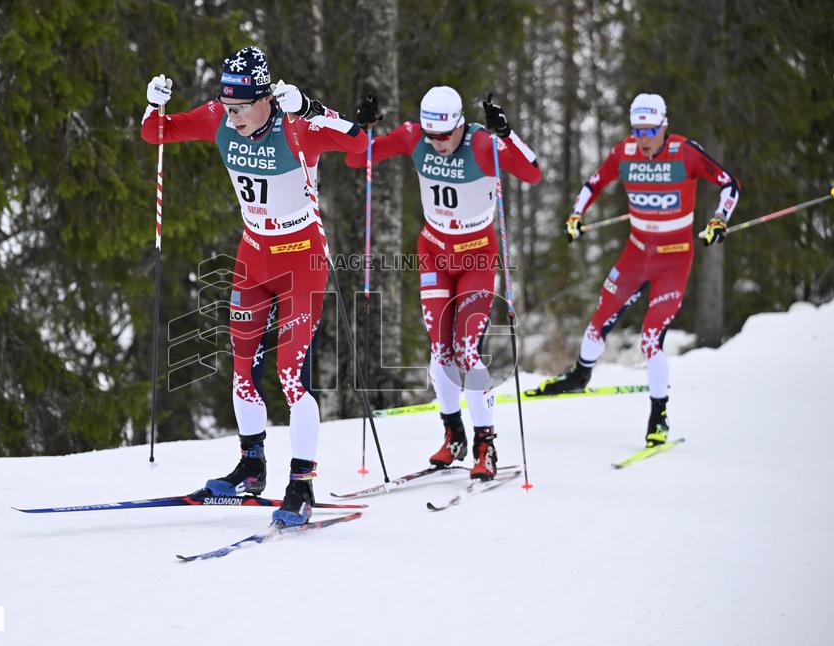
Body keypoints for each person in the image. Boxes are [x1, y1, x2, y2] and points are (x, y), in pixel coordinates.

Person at [140, 46, 367, 526]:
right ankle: (251, 467)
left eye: (243, 107)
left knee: (290, 375)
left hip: (300, 258)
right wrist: (153, 105)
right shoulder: (218, 119)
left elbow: (361, 143)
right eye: (228, 106)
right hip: (253, 255)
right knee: (242, 369)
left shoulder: (296, 126)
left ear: (266, 98)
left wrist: (311, 108)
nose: (234, 116)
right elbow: (156, 133)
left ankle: (301, 484)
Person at [344, 87, 541, 480]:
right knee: (440, 349)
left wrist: (506, 133)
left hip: (476, 255)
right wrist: (359, 127)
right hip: (434, 250)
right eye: (430, 136)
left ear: (460, 125)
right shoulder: (411, 135)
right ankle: (454, 436)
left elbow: (532, 173)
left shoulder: (481, 144)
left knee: (467, 349)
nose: (436, 144)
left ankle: (486, 444)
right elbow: (356, 157)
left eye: (444, 136)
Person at [530, 93, 740, 448]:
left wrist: (719, 219)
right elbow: (594, 183)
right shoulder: (624, 152)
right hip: (636, 253)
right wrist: (576, 215)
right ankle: (580, 375)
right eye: (637, 130)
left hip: (674, 258)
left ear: (664, 126)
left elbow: (728, 184)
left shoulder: (684, 152)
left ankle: (659, 416)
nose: (643, 139)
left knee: (650, 337)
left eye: (650, 130)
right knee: (599, 321)